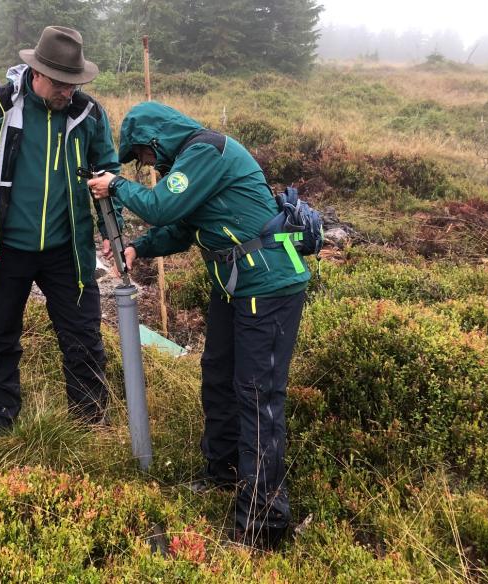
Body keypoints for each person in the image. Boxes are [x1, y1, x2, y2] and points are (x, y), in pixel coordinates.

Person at [87, 102, 311, 548]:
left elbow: (160, 207)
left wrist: (116, 184)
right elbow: (182, 228)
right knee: (218, 378)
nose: (149, 167)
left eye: (145, 158)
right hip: (235, 286)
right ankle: (225, 474)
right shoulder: (192, 160)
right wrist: (138, 249)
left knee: (257, 395)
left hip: (267, 287)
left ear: (155, 141)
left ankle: (264, 524)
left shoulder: (206, 151)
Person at [0, 26, 122, 440]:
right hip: (3, 249)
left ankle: (90, 422)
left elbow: (107, 172)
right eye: (62, 83)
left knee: (83, 336)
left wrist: (113, 232)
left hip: (68, 251)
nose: (69, 92)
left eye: (75, 83)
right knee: (0, 335)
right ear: (36, 73)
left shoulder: (88, 115)